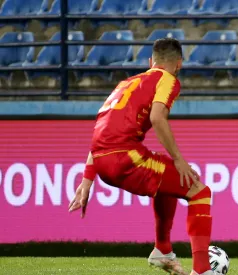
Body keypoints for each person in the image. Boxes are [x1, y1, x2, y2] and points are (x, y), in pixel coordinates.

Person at [68, 38, 217, 275]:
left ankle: (163, 250)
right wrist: (179, 159)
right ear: (178, 64)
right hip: (125, 157)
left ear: (150, 61)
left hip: (100, 158)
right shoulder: (168, 79)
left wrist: (87, 179)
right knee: (199, 191)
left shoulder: (126, 82)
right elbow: (158, 118)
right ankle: (202, 270)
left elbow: (102, 130)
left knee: (168, 186)